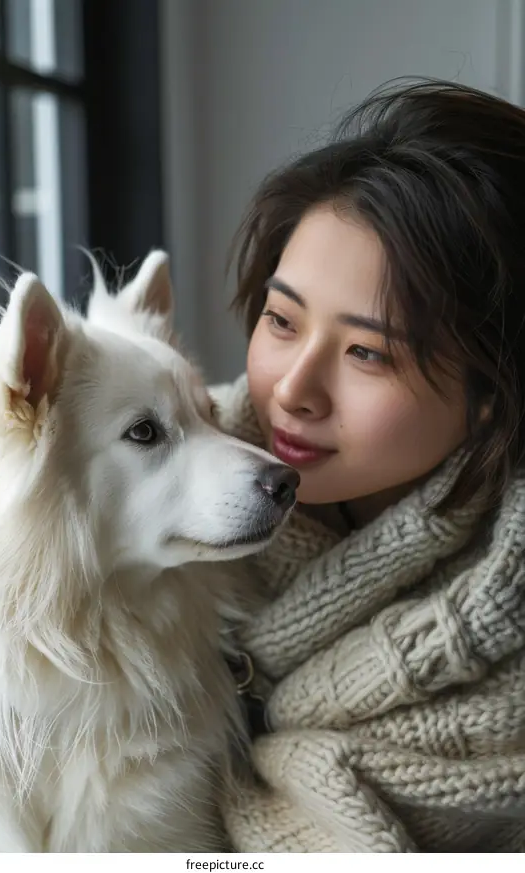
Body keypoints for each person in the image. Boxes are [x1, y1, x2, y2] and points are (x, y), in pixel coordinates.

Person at [210, 78, 525, 852]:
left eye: (367, 352)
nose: (293, 388)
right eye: (280, 320)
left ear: (491, 390)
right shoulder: (149, 475)